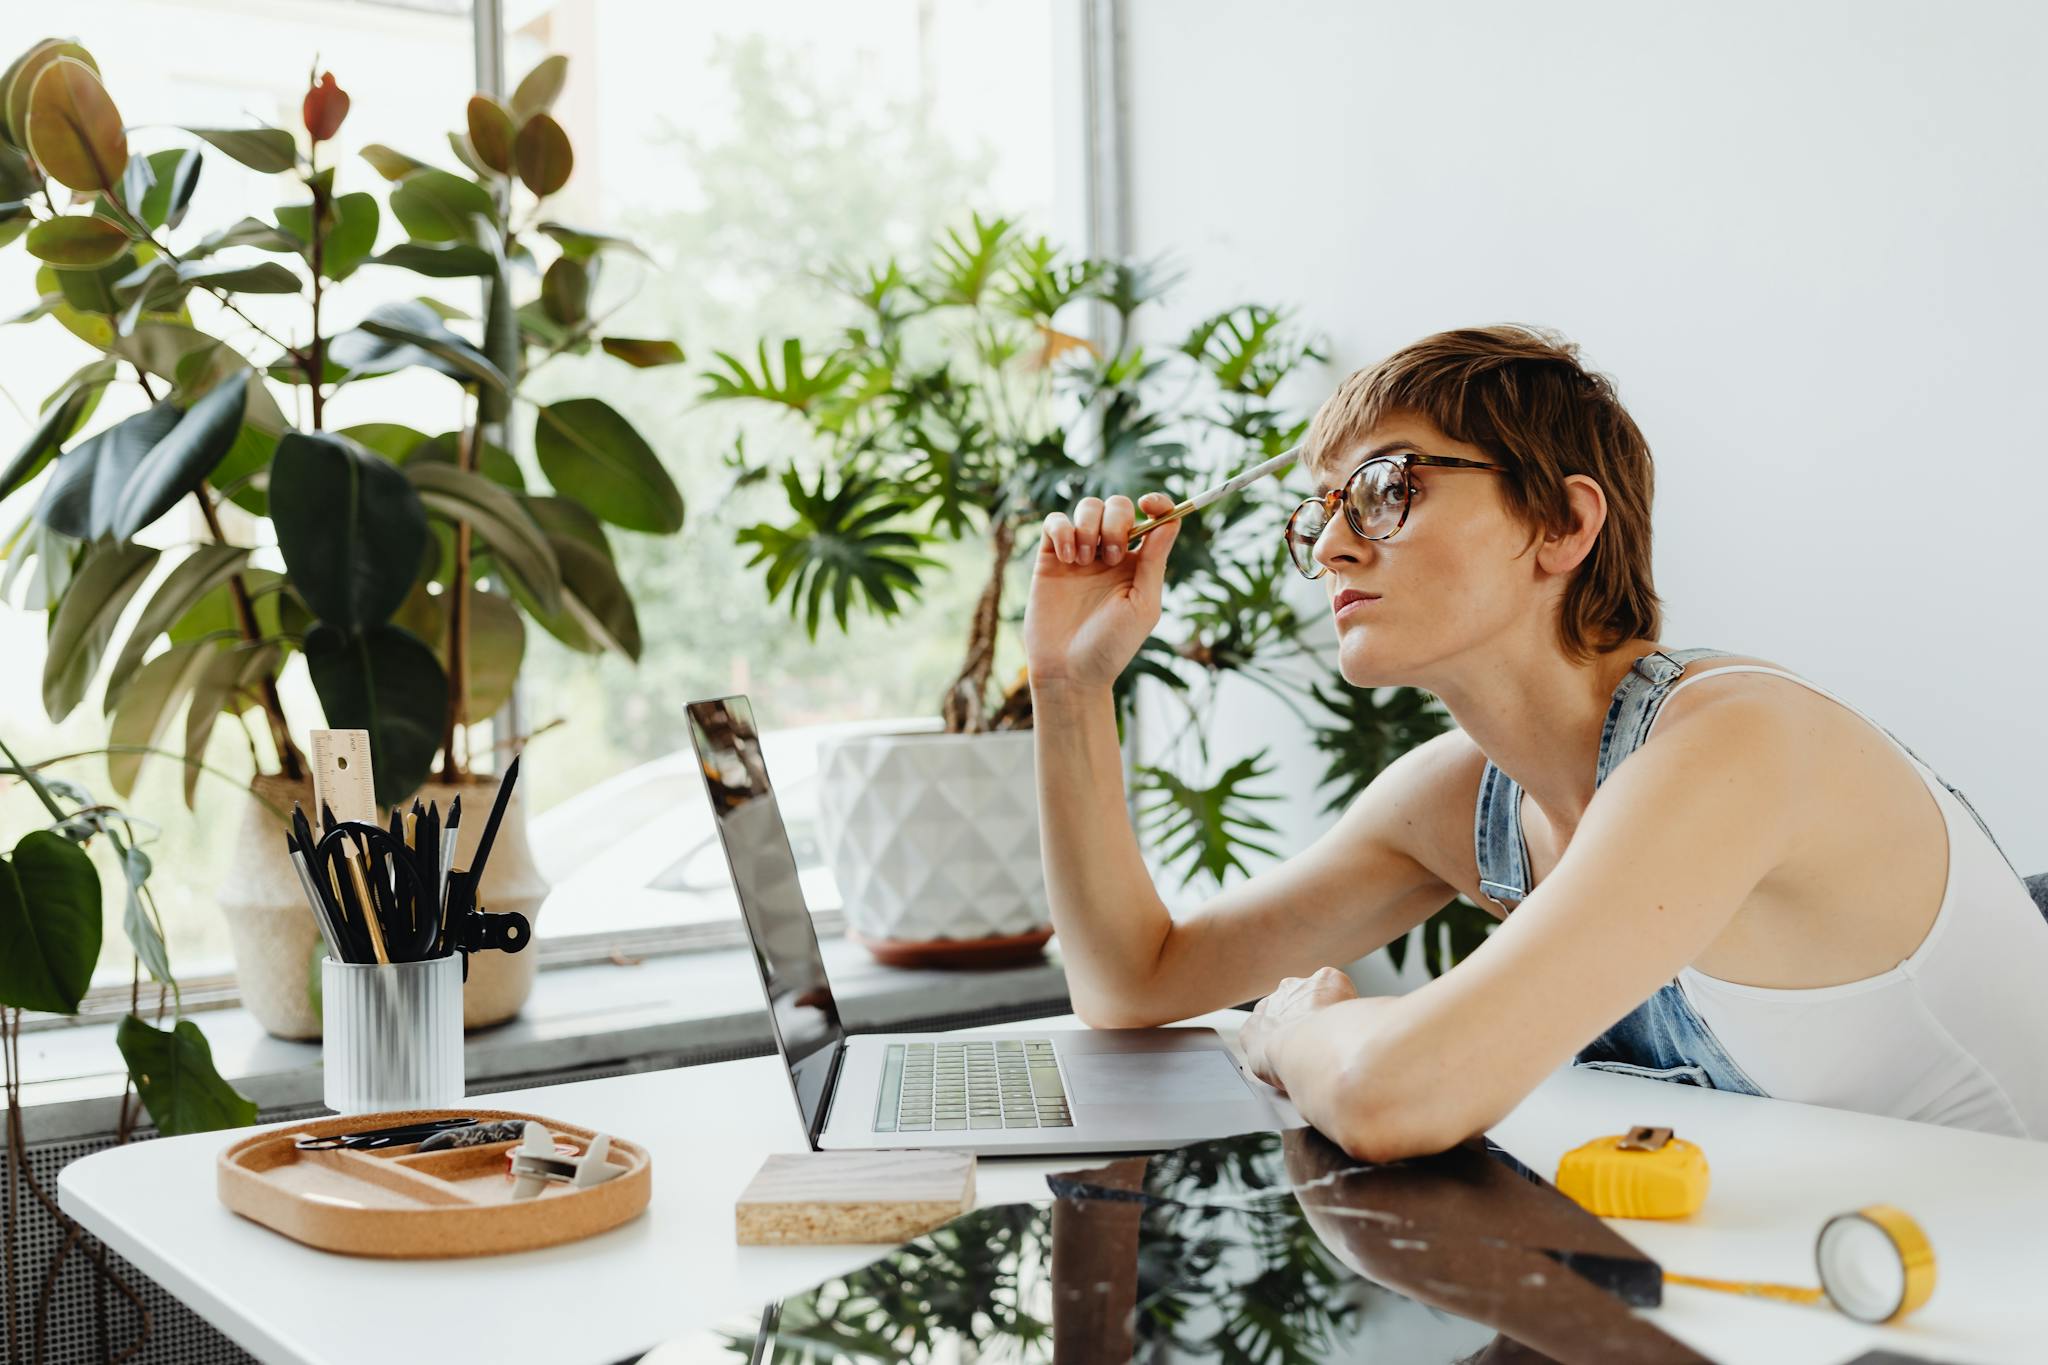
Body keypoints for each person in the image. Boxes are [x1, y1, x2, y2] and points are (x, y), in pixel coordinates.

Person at [1023, 324, 2048, 1157]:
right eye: (1320, 510)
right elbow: (1131, 983)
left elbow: (1399, 1095)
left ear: (1560, 521)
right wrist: (1070, 688)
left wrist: (1293, 1032)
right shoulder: (1461, 802)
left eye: (1386, 490)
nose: (1332, 542)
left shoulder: (1741, 742)